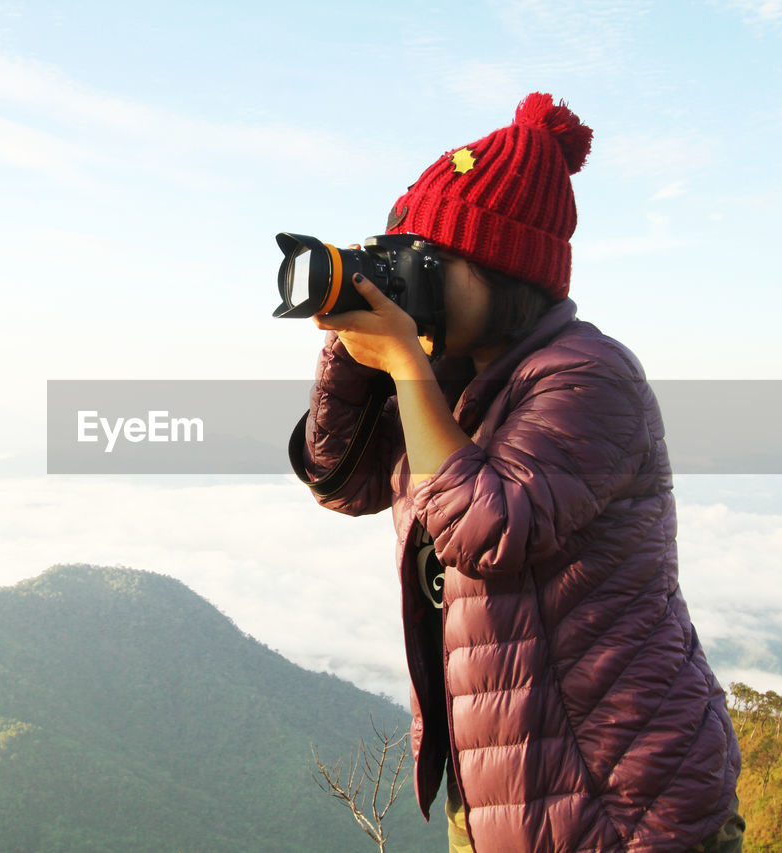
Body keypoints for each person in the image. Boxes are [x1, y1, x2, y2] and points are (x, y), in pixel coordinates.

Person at [289, 93, 743, 852]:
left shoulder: (590, 377)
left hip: (627, 804)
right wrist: (350, 343)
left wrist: (405, 364)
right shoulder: (449, 380)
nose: (412, 280)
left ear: (506, 269)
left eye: (429, 262)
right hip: (508, 795)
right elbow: (343, 481)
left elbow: (486, 528)